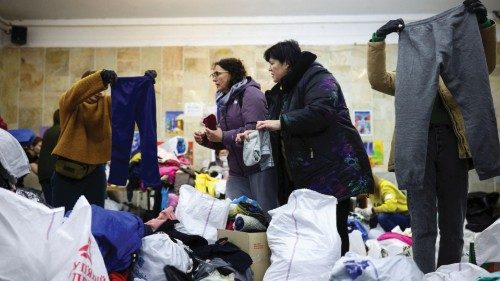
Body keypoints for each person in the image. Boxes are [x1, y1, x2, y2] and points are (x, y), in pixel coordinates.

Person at [367, 0, 496, 273]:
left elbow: (484, 65)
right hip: (417, 148)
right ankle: (423, 276)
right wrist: (378, 39)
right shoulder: (407, 77)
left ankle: (448, 275)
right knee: (423, 223)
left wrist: (484, 24)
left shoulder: (456, 74)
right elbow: (377, 79)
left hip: (453, 146)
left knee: (453, 222)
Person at [238, 40, 374, 255]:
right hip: (305, 173)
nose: (269, 68)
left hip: (332, 171)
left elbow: (322, 111)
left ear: (288, 63)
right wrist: (256, 134)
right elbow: (276, 125)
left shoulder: (318, 78)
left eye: (273, 63)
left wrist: (281, 122)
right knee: (310, 234)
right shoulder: (285, 91)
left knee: (332, 231)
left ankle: (336, 275)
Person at [193, 58, 279, 215]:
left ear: (231, 73)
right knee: (238, 218)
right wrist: (208, 139)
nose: (214, 78)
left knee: (268, 217)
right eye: (213, 74)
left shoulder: (251, 94)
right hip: (237, 171)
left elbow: (254, 132)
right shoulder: (224, 101)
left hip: (258, 168)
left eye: (218, 73)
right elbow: (226, 141)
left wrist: (223, 135)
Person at [51, 69, 117, 211]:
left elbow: (127, 101)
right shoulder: (70, 103)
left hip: (96, 171)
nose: (100, 91)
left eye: (103, 87)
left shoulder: (106, 103)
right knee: (64, 220)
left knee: (95, 219)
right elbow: (76, 92)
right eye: (97, 85)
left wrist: (144, 84)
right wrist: (99, 79)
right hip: (68, 172)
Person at [37, 109, 61, 206]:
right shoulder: (62, 130)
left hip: (44, 173)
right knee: (58, 207)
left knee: (51, 206)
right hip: (53, 173)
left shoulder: (49, 131)